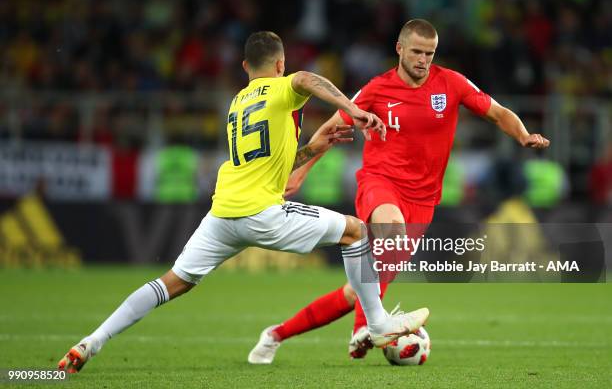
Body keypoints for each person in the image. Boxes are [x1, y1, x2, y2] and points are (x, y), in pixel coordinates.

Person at [57, 31, 430, 373]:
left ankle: (91, 342)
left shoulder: (237, 103)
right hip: (262, 213)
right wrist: (353, 108)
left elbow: (269, 164)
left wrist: (311, 150)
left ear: (244, 66)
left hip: (222, 214)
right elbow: (305, 80)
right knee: (356, 232)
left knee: (172, 282)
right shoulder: (283, 87)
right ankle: (378, 323)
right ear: (281, 64)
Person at [247, 19, 550, 364]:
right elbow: (333, 127)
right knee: (392, 231)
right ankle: (366, 330)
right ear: (400, 49)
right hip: (380, 181)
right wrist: (302, 169)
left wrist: (523, 135)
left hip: (423, 200)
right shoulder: (377, 89)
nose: (423, 60)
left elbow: (497, 113)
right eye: (417, 52)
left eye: (430, 53)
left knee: (357, 290)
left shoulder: (450, 83)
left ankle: (276, 334)